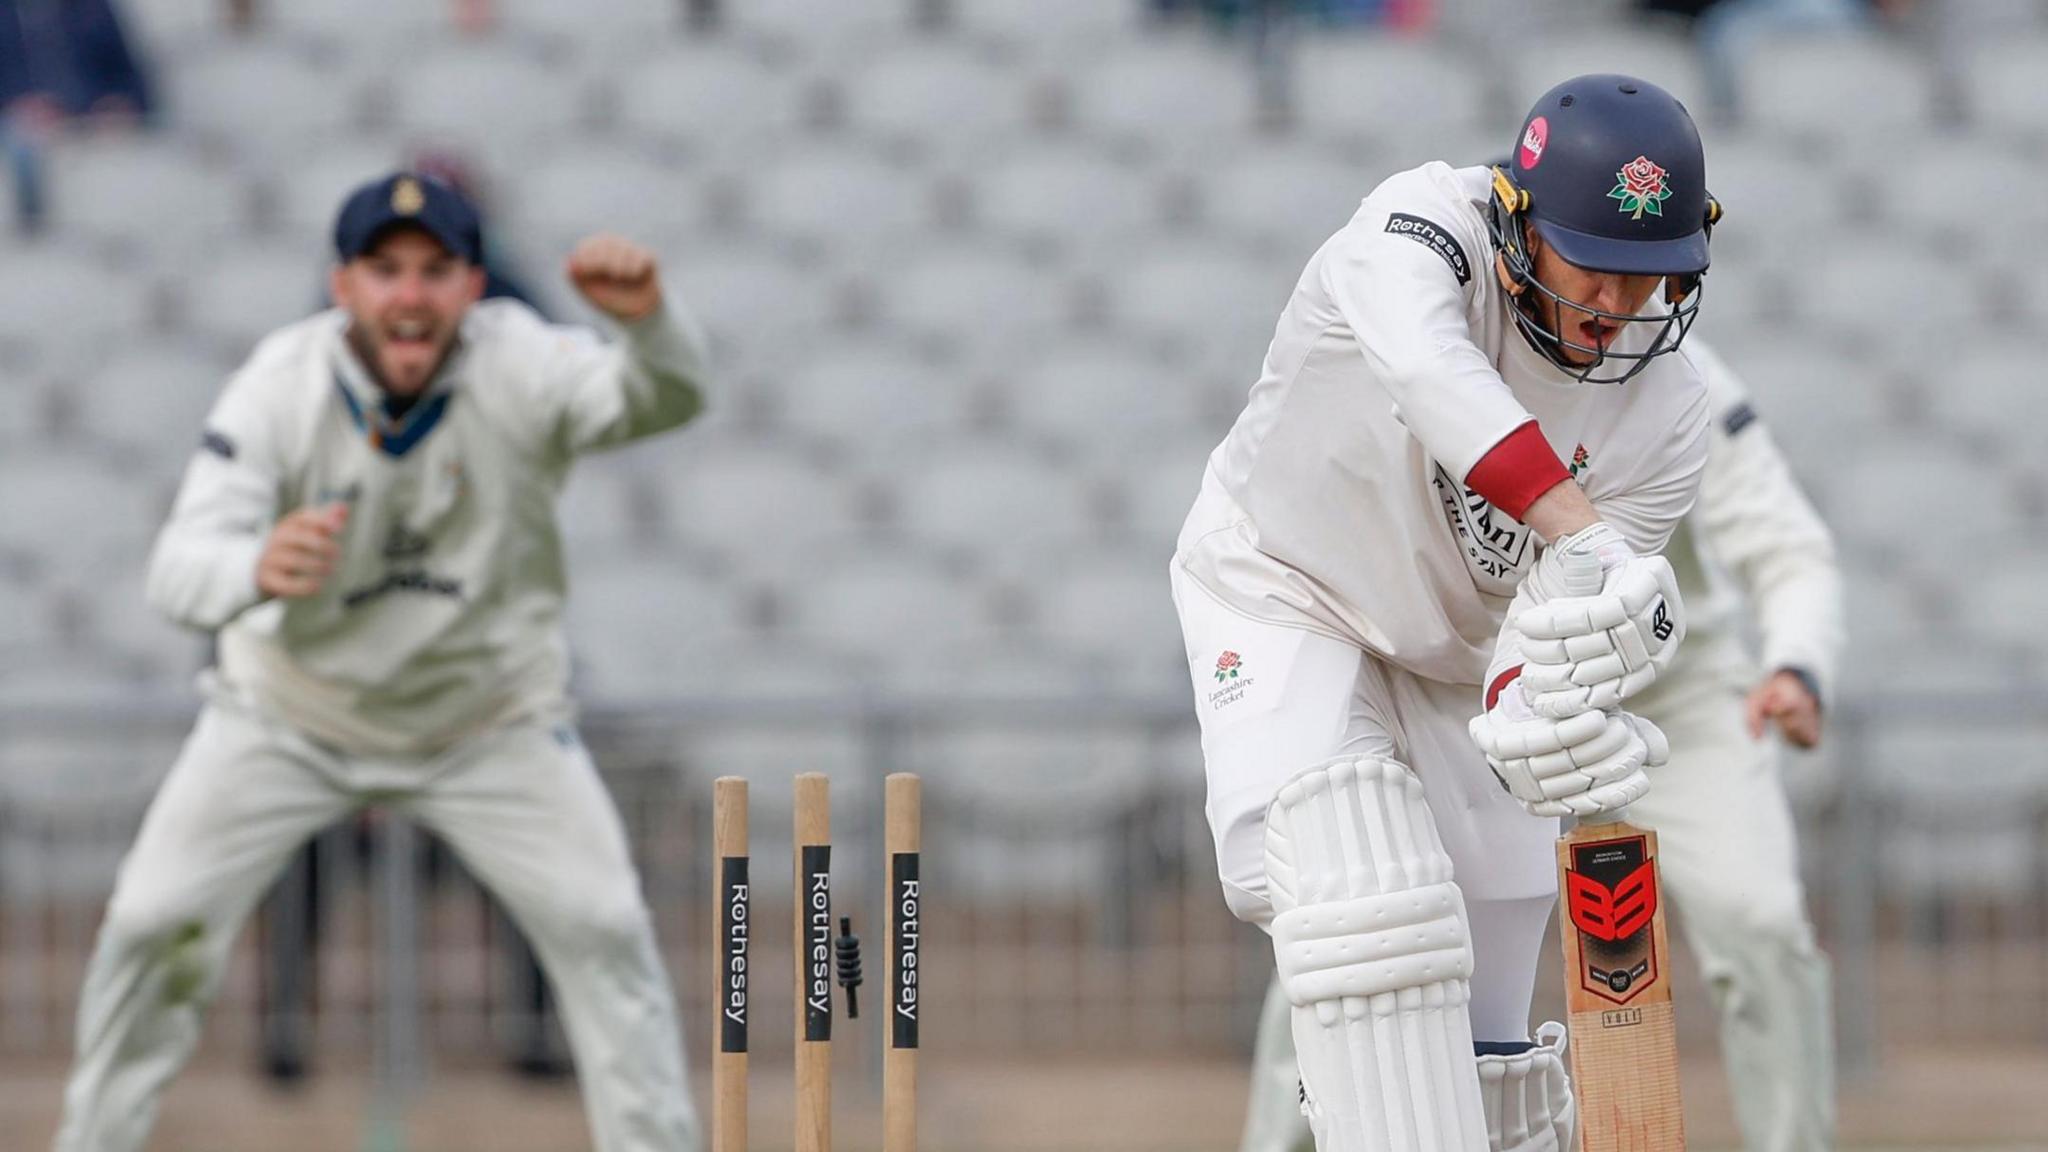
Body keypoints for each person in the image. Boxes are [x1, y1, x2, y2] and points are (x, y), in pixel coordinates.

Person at [54, 171, 708, 1152]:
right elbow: (178, 568)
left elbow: (662, 401)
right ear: (343, 285)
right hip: (287, 721)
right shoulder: (280, 382)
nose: (410, 294)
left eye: (436, 271)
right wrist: (252, 566)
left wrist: (649, 325)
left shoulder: (523, 361)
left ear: (473, 286)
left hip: (489, 725)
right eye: (385, 270)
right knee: (150, 926)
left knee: (607, 931)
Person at [1171, 74, 1721, 1151]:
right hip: (1284, 584)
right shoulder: (1418, 228)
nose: (1618, 306)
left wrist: (1541, 713)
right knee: (1358, 892)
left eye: (1647, 276)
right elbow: (1429, 373)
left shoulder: (1670, 413)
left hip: (1455, 659)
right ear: (1519, 224)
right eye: (1593, 267)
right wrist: (1586, 533)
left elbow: (1551, 618)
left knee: (1487, 1032)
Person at [1234, 334, 1843, 1152]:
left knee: (1760, 923)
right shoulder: (1442, 350)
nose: (1610, 309)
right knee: (1357, 926)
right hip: (1477, 692)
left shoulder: (1683, 382)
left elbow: (1786, 545)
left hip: (1675, 704)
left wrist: (1799, 664)